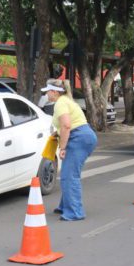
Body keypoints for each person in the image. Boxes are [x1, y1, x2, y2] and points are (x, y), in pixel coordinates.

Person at [42, 78, 97, 221]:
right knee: (69, 173)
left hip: (78, 138)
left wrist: (62, 147)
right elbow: (65, 126)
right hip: (83, 136)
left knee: (69, 176)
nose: (46, 95)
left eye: (47, 91)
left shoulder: (60, 103)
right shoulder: (66, 100)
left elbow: (66, 125)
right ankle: (65, 206)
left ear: (54, 92)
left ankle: (74, 212)